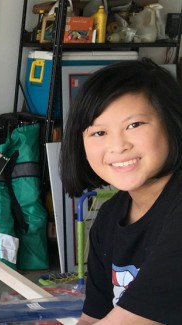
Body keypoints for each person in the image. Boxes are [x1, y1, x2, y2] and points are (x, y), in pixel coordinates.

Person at [60, 59, 182, 325]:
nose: (118, 146)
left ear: (172, 122)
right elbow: (93, 318)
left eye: (134, 125)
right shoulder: (109, 217)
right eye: (99, 132)